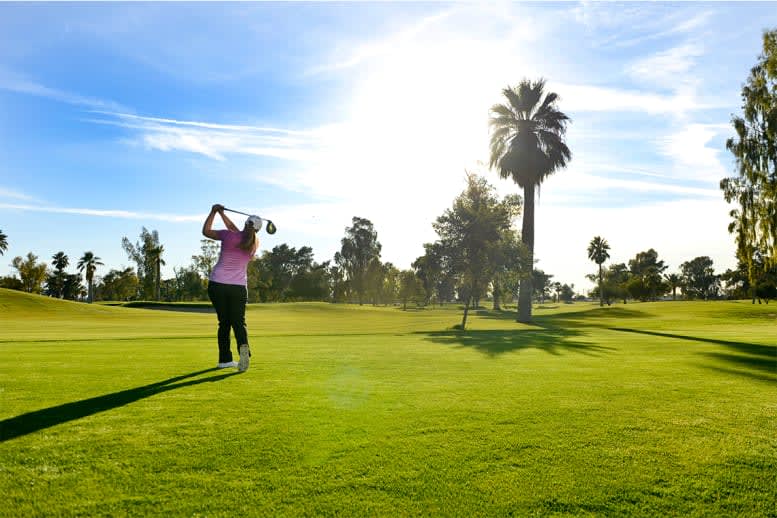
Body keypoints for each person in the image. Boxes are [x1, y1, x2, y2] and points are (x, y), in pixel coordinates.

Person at [202, 204, 260, 372]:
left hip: (217, 285)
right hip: (238, 287)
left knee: (224, 323)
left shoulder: (228, 236)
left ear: (246, 223)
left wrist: (213, 212)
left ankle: (224, 360)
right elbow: (236, 230)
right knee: (238, 323)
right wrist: (221, 213)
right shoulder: (254, 243)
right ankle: (243, 348)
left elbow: (206, 231)